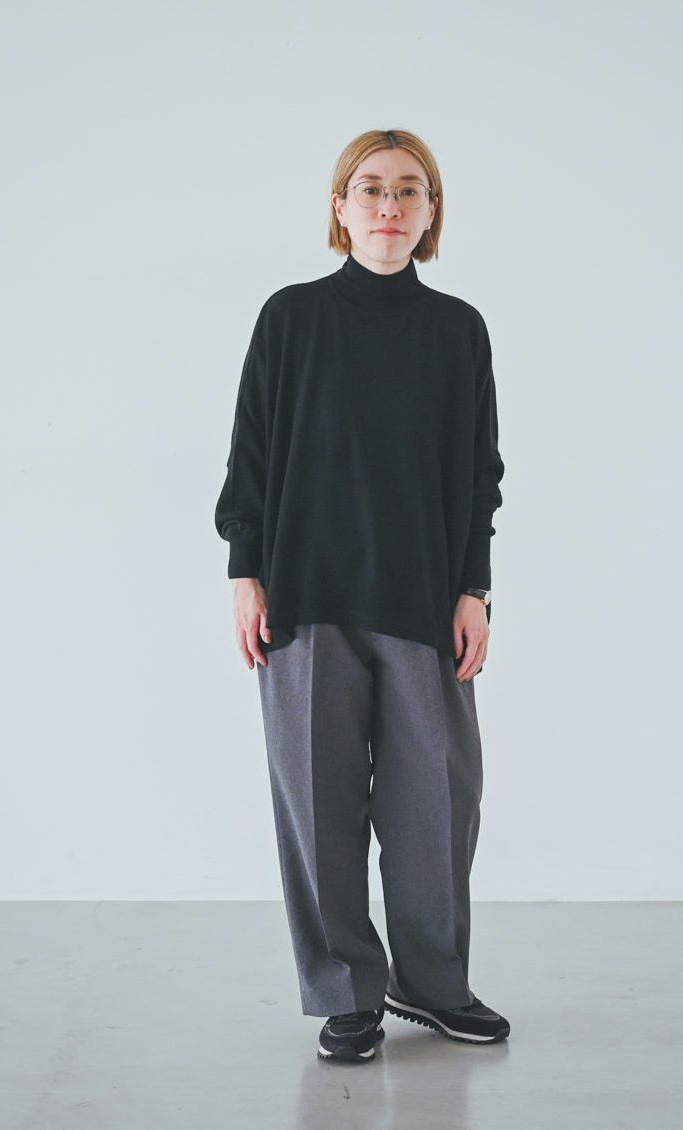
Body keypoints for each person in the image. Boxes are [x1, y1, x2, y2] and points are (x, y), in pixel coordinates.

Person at [214, 128, 509, 1063]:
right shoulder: (292, 318)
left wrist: (475, 588)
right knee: (318, 803)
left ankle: (433, 982)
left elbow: (480, 476)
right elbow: (251, 451)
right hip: (306, 596)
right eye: (371, 187)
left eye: (409, 190)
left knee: (439, 801)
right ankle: (347, 993)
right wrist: (244, 571)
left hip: (422, 598)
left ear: (431, 213)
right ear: (340, 206)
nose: (390, 204)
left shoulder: (458, 330)